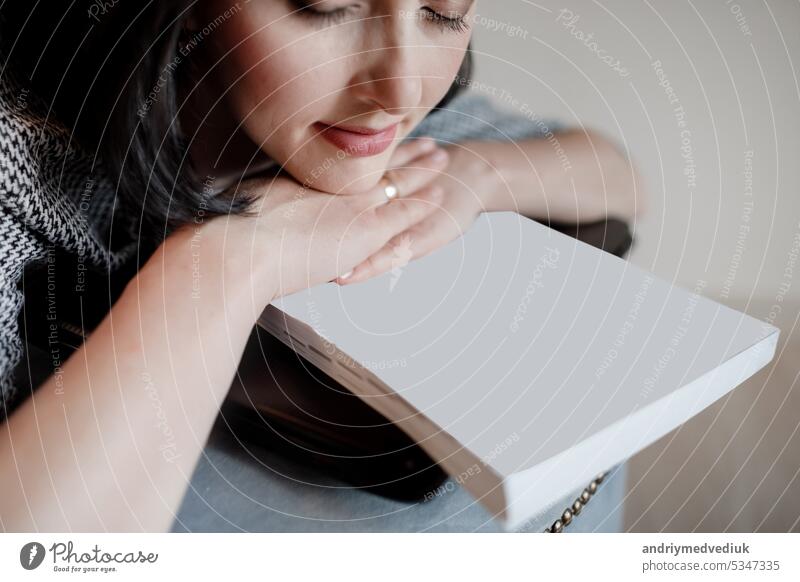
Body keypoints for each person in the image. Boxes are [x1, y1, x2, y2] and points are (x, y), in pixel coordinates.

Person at [0, 1, 643, 531]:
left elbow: (618, 178)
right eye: (325, 6)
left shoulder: (406, 133)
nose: (402, 87)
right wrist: (227, 260)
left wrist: (475, 175)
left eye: (444, 13)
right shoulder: (24, 192)